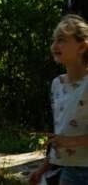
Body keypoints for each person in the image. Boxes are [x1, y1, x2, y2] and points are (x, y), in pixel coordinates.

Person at [29, 14, 88, 185]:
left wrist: (71, 141)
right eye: (54, 40)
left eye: (61, 40)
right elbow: (61, 136)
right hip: (66, 170)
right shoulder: (57, 84)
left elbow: (66, 139)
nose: (54, 45)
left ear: (82, 47)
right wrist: (42, 170)